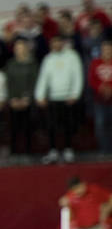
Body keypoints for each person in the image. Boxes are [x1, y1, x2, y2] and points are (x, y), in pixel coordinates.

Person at [35, 34, 84, 164]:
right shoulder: (48, 58)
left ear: (62, 43)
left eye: (57, 42)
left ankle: (68, 151)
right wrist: (40, 95)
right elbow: (43, 77)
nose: (55, 45)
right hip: (53, 97)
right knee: (51, 126)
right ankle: (53, 152)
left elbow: (78, 75)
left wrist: (75, 94)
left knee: (68, 125)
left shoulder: (72, 56)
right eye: (52, 43)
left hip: (68, 97)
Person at [4, 39, 39, 157]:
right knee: (14, 127)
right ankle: (14, 151)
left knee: (28, 126)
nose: (19, 50)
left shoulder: (32, 64)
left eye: (22, 47)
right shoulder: (10, 64)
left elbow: (34, 82)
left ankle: (29, 151)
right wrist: (12, 98)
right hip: (14, 101)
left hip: (27, 101)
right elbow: (8, 83)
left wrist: (27, 98)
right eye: (17, 48)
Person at [89, 39, 112, 154]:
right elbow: (92, 80)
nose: (107, 51)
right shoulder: (95, 62)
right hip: (99, 100)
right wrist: (101, 88)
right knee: (100, 124)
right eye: (105, 49)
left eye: (109, 49)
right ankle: (104, 149)